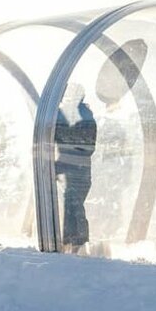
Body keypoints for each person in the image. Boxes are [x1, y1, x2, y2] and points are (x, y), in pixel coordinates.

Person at [53, 85, 97, 252]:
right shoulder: (73, 115)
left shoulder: (83, 117)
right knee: (72, 205)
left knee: (74, 205)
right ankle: (73, 244)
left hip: (79, 172)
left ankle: (77, 244)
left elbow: (81, 147)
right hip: (75, 172)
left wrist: (59, 165)